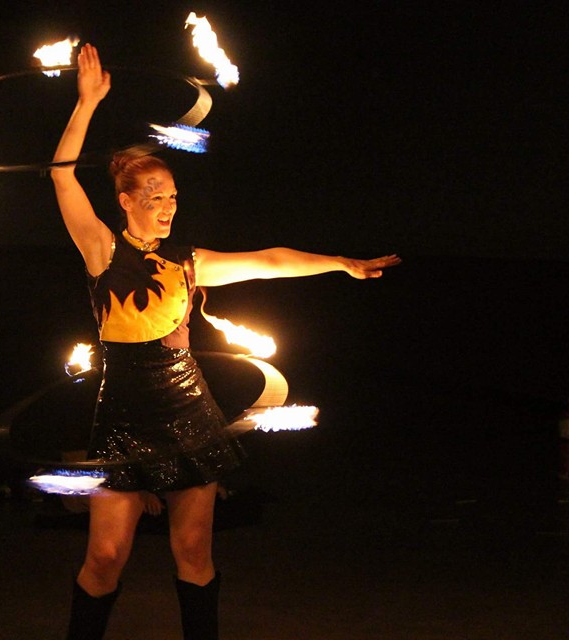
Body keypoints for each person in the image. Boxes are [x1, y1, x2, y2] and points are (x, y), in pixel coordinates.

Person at [51, 44, 401, 640]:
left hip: (188, 412)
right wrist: (86, 104)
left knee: (193, 552)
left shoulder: (188, 262)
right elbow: (62, 175)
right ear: (126, 201)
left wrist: (341, 263)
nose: (167, 207)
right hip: (122, 415)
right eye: (154, 196)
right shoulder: (101, 251)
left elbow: (269, 261)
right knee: (105, 558)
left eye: (173, 196)